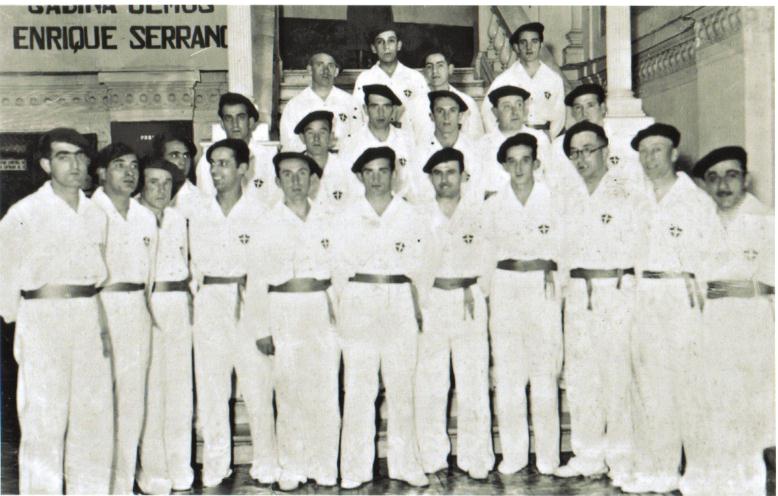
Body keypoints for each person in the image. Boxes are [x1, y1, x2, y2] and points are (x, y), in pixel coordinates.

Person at [0, 128, 113, 494]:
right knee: (44, 422)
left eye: (81, 156)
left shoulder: (96, 213)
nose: (76, 164)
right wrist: (24, 327)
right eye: (65, 156)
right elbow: (4, 276)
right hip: (43, 318)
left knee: (91, 418)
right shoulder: (25, 212)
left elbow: (98, 276)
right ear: (47, 164)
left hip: (86, 315)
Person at [621, 124, 727, 494]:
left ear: (673, 153)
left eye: (657, 150)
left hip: (682, 296)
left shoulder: (696, 201)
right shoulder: (636, 200)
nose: (650, 158)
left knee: (690, 386)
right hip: (645, 294)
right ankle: (656, 471)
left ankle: (698, 474)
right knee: (649, 387)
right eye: (643, 151)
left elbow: (713, 257)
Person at [554, 121, 649, 485]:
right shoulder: (566, 195)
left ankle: (622, 457)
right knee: (581, 378)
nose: (581, 158)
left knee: (617, 377)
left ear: (604, 148)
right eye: (574, 152)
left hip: (616, 288)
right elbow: (560, 251)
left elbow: (640, 246)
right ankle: (588, 454)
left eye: (587, 150)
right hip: (579, 292)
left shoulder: (627, 191)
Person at [335, 146, 431, 489]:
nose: (376, 178)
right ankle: (355, 467)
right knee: (360, 388)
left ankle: (406, 464)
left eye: (382, 171)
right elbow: (339, 270)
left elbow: (422, 267)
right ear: (360, 176)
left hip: (399, 300)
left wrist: (417, 308)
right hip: (360, 301)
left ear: (394, 174)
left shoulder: (411, 216)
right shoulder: (346, 216)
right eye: (369, 172)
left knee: (402, 387)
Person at [681, 146, 774, 495]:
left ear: (745, 179)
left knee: (748, 412)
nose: (722, 185)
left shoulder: (766, 222)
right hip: (713, 320)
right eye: (714, 178)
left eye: (731, 175)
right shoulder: (704, 223)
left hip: (752, 321)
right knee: (711, 404)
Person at [245, 152, 340, 491]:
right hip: (283, 308)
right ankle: (292, 464)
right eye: (288, 174)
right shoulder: (267, 223)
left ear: (313, 179)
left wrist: (339, 310)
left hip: (320, 306)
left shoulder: (329, 219)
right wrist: (261, 328)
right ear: (278, 181)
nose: (296, 181)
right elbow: (255, 279)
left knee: (326, 390)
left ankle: (324, 463)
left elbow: (340, 272)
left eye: (302, 173)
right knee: (289, 391)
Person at [189, 138, 278, 487]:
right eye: (213, 164)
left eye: (225, 163)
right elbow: (194, 265)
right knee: (211, 389)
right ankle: (216, 463)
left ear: (243, 168)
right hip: (211, 303)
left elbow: (266, 269)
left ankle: (266, 462)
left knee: (257, 388)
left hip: (249, 303)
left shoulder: (260, 212)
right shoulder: (199, 212)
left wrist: (264, 321)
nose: (216, 171)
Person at [482, 133, 564, 475]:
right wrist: (488, 299)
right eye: (511, 161)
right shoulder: (492, 205)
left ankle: (548, 457)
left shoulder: (554, 201)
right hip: (505, 289)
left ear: (536, 163)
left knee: (544, 375)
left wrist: (558, 291)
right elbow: (485, 257)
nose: (519, 167)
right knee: (510, 376)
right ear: (503, 166)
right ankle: (514, 454)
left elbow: (564, 251)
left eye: (525, 160)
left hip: (542, 290)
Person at [414, 148, 495, 480]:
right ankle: (432, 454)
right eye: (438, 173)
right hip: (432, 301)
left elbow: (490, 261)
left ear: (463, 175)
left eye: (451, 172)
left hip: (468, 299)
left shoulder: (479, 213)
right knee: (431, 382)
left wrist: (477, 292)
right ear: (430, 178)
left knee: (473, 380)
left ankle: (477, 456)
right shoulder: (419, 215)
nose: (444, 179)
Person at [90, 142, 157, 494]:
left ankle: (123, 484)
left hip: (136, 312)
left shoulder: (146, 216)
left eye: (133, 165)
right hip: (101, 312)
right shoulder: (88, 213)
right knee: (100, 405)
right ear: (101, 172)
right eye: (119, 165)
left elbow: (150, 275)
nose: (129, 172)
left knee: (133, 403)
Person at [135, 157, 194, 494]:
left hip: (177, 307)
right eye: (153, 182)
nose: (160, 189)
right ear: (142, 184)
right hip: (146, 305)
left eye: (166, 183)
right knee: (151, 393)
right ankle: (153, 471)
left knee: (179, 392)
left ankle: (179, 467)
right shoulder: (132, 216)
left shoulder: (177, 220)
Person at [548, 84, 645, 195]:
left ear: (603, 108)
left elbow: (637, 182)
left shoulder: (622, 142)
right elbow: (553, 185)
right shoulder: (559, 146)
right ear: (573, 113)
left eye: (590, 105)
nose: (584, 113)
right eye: (578, 107)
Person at [481, 22, 566, 139]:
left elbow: (559, 116)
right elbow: (487, 111)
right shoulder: (505, 79)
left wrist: (549, 138)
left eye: (534, 41)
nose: (529, 47)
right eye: (523, 42)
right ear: (516, 47)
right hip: (515, 139)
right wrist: (502, 138)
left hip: (544, 139)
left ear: (541, 45)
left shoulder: (554, 79)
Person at [195, 92, 281, 207]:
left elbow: (276, 202)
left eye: (241, 117)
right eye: (228, 118)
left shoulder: (269, 159)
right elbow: (206, 204)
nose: (235, 124)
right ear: (222, 124)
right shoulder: (207, 162)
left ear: (250, 122)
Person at [406, 90, 484, 204]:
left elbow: (479, 194)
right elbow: (415, 196)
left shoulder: (475, 152)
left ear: (460, 116)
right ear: (431, 116)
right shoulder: (419, 154)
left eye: (452, 110)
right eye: (440, 111)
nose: (446, 117)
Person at [352, 25, 429, 136]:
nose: (386, 47)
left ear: (399, 45)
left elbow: (425, 116)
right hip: (376, 143)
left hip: (409, 143)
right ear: (374, 48)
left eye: (391, 41)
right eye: (380, 42)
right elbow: (357, 117)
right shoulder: (365, 79)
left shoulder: (415, 78)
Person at [341, 84, 415, 196]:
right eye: (375, 106)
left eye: (386, 106)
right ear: (366, 109)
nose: (381, 112)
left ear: (393, 110)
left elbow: (414, 183)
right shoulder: (351, 144)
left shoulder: (407, 141)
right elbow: (346, 185)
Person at [279, 52, 360, 152]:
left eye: (330, 65)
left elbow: (358, 140)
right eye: (319, 64)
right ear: (310, 70)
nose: (325, 70)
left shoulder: (350, 103)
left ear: (336, 71)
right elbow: (288, 145)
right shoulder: (294, 105)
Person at [480, 85, 551, 196]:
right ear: (495, 112)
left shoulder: (540, 139)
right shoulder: (483, 144)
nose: (515, 111)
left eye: (519, 105)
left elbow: (551, 180)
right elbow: (477, 188)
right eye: (507, 107)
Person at [293, 110, 361, 213]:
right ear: (302, 138)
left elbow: (357, 206)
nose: (316, 139)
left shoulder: (347, 169)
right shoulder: (292, 169)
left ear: (330, 136)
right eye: (310, 133)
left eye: (322, 132)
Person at [415, 48, 484, 140]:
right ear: (424, 72)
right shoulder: (415, 103)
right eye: (429, 67)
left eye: (440, 66)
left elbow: (476, 139)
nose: (434, 71)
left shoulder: (467, 102)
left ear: (450, 69)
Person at [150, 132, 205, 220]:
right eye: (175, 155)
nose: (183, 162)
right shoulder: (144, 196)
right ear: (160, 160)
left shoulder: (199, 200)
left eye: (186, 155)